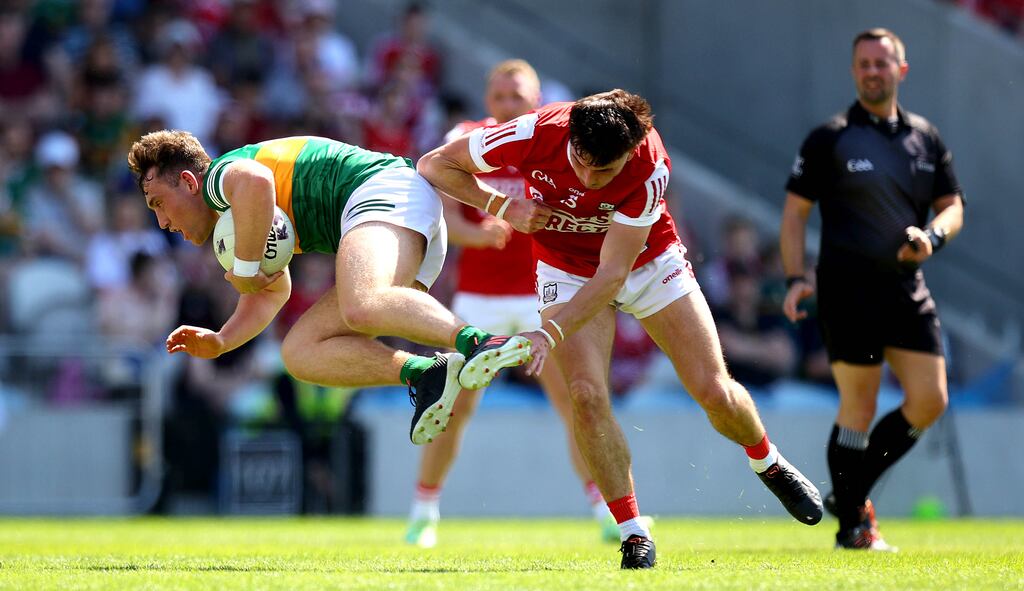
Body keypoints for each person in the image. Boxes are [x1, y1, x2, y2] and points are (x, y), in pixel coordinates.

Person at [419, 88, 823, 570]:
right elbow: (434, 165)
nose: (589, 180)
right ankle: (632, 531)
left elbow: (612, 275)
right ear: (569, 136)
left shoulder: (650, 163)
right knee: (586, 395)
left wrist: (547, 334)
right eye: (582, 163)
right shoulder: (534, 131)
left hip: (646, 262)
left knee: (714, 391)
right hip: (564, 266)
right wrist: (502, 206)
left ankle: (768, 461)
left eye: (603, 172)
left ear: (630, 154)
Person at [126, 131, 549, 447]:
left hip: (386, 190)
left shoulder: (220, 178)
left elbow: (255, 181)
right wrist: (221, 340)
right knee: (299, 352)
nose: (162, 222)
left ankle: (479, 342)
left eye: (158, 204)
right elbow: (271, 291)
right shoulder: (232, 228)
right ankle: (425, 373)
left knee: (362, 304)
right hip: (400, 217)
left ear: (187, 181)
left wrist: (246, 267)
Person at [404, 59, 628, 548]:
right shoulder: (465, 137)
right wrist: (486, 232)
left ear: (537, 98)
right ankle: (424, 511)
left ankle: (608, 511)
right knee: (454, 408)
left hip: (539, 296)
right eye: (501, 97)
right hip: (478, 301)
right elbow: (447, 220)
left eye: (518, 97)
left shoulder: (554, 142)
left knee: (575, 404)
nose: (508, 106)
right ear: (488, 100)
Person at [780, 28, 965, 551]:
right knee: (857, 409)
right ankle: (852, 528)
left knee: (930, 400)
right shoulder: (830, 137)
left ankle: (849, 489)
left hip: (907, 287)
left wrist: (930, 238)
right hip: (847, 290)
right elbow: (794, 215)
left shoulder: (926, 137)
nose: (872, 71)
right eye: (863, 63)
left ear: (901, 70)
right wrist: (797, 277)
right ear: (853, 71)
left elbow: (953, 207)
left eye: (882, 63)